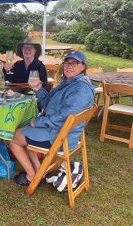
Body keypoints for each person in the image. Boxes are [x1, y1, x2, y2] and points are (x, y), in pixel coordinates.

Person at [9, 51, 94, 186]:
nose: (69, 66)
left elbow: (64, 116)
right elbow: (49, 104)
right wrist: (38, 88)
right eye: (67, 62)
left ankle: (31, 176)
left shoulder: (81, 89)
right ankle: (39, 172)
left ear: (83, 66)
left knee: (14, 138)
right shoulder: (69, 82)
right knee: (24, 134)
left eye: (75, 63)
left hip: (60, 137)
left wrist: (38, 122)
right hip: (59, 131)